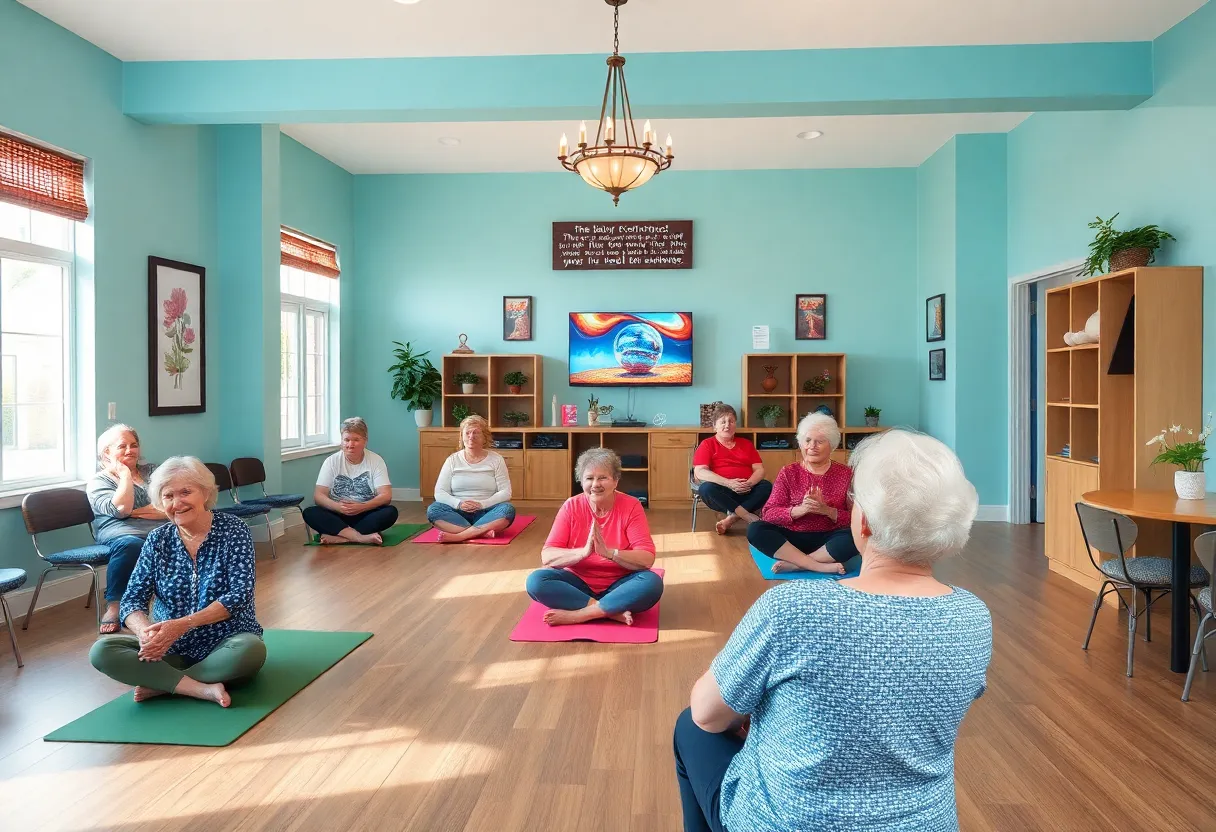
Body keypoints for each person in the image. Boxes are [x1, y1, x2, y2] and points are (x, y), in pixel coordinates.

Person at [674, 429, 992, 832]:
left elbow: (707, 713)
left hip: (791, 821)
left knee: (691, 725)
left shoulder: (792, 608)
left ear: (866, 524)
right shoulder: (972, 616)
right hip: (926, 823)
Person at [89, 457, 266, 708]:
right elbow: (131, 600)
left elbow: (239, 595)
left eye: (186, 492)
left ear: (204, 493)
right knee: (102, 651)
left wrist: (182, 625)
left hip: (225, 642)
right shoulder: (157, 540)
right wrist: (145, 634)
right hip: (169, 649)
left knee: (251, 651)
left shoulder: (233, 530)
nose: (177, 503)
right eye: (168, 496)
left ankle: (163, 683)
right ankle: (199, 688)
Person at [526, 447, 663, 626]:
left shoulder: (631, 506)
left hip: (620, 585)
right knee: (536, 581)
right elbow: (548, 555)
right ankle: (608, 610)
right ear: (581, 482)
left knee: (651, 583)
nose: (595, 484)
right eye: (589, 478)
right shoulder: (571, 506)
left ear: (615, 481)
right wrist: (582, 553)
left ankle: (581, 614)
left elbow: (647, 558)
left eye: (603, 478)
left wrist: (610, 553)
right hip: (577, 584)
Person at [746, 412, 859, 574]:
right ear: (801, 443)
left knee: (856, 536)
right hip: (792, 539)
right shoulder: (788, 472)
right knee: (755, 529)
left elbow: (856, 518)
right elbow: (768, 514)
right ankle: (817, 565)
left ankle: (796, 564)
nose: (812, 446)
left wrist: (827, 511)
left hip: (828, 540)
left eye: (819, 441)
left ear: (832, 445)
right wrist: (800, 510)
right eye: (808, 440)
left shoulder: (845, 474)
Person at [86, 424, 167, 634]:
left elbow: (169, 506)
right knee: (131, 544)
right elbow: (121, 511)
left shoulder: (153, 471)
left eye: (134, 445)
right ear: (107, 453)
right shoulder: (99, 481)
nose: (130, 450)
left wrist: (135, 511)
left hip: (159, 528)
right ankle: (115, 605)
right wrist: (125, 476)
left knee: (185, 535)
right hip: (119, 532)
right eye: (122, 446)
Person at [302, 417, 399, 545]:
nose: (350, 445)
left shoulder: (376, 460)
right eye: (346, 440)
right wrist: (338, 507)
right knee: (310, 512)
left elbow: (386, 496)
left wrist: (362, 507)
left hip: (365, 512)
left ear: (365, 441)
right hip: (337, 513)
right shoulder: (331, 461)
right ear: (342, 441)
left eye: (356, 440)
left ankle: (339, 536)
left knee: (390, 512)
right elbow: (319, 496)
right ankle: (360, 537)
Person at [426, 415, 517, 543]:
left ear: (484, 437)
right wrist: (459, 504)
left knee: (507, 509)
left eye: (476, 433)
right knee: (433, 510)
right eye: (467, 433)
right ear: (462, 437)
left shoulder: (496, 459)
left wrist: (482, 504)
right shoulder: (452, 460)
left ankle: (459, 536)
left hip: (486, 511)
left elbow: (506, 492)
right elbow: (440, 492)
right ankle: (481, 532)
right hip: (458, 512)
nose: (471, 436)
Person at [693, 404, 771, 535]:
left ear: (735, 424)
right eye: (723, 422)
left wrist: (748, 484)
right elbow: (699, 472)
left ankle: (730, 519)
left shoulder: (746, 444)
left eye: (731, 421)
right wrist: (728, 483)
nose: (727, 425)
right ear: (714, 426)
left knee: (767, 486)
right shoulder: (707, 444)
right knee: (705, 488)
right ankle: (745, 514)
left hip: (746, 490)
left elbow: (759, 470)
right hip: (722, 492)